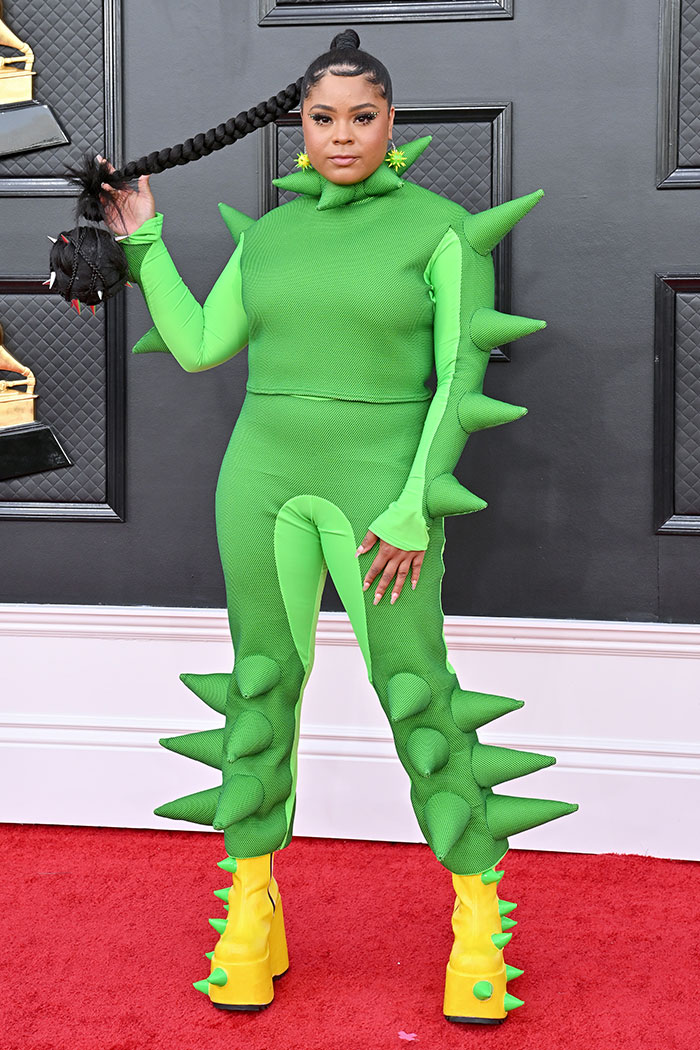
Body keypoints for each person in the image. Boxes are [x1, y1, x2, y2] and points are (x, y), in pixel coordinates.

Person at [80, 28, 577, 1025]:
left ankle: (478, 916)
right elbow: (200, 346)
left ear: (392, 123)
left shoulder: (441, 230)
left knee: (414, 692)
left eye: (361, 116)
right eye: (321, 117)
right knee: (261, 688)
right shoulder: (269, 236)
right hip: (259, 482)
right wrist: (141, 239)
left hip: (382, 495)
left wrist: (412, 503)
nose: (341, 135)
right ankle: (250, 911)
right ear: (297, 127)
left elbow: (457, 377)